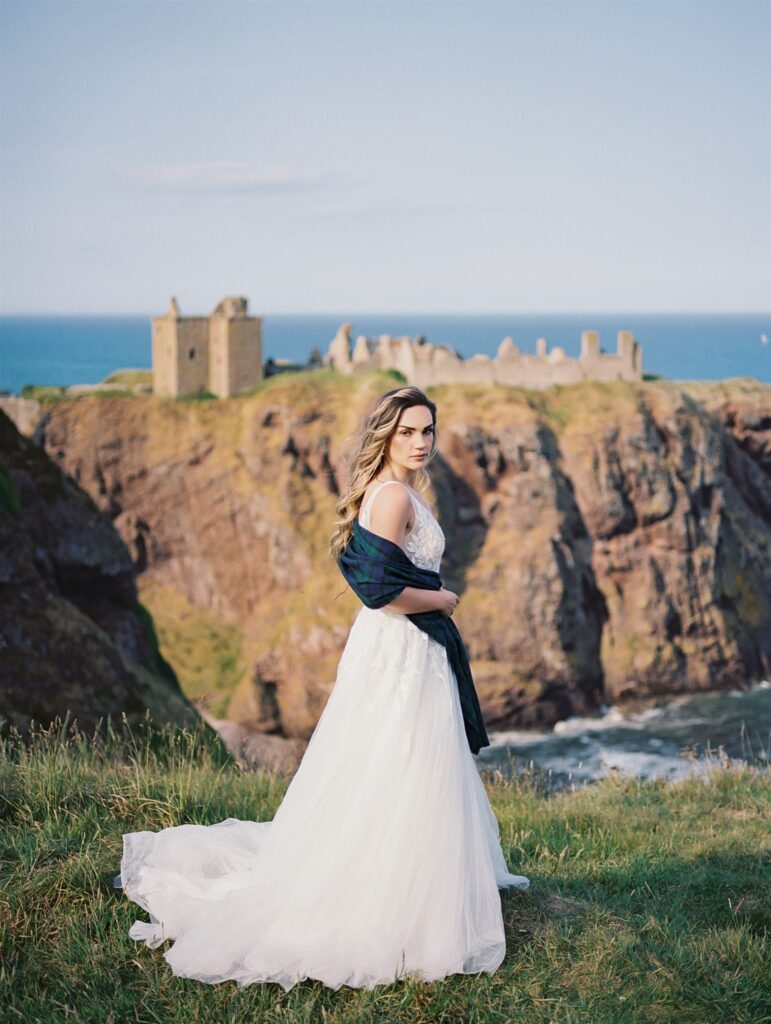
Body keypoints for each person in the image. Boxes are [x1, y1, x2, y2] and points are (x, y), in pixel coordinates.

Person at [115, 384, 529, 992]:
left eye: (427, 431)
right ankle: (391, 899)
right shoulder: (391, 497)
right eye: (407, 431)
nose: (419, 442)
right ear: (385, 435)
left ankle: (415, 880)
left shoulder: (398, 490)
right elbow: (380, 592)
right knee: (402, 761)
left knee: (405, 764)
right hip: (401, 646)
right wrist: (442, 598)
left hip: (404, 648)